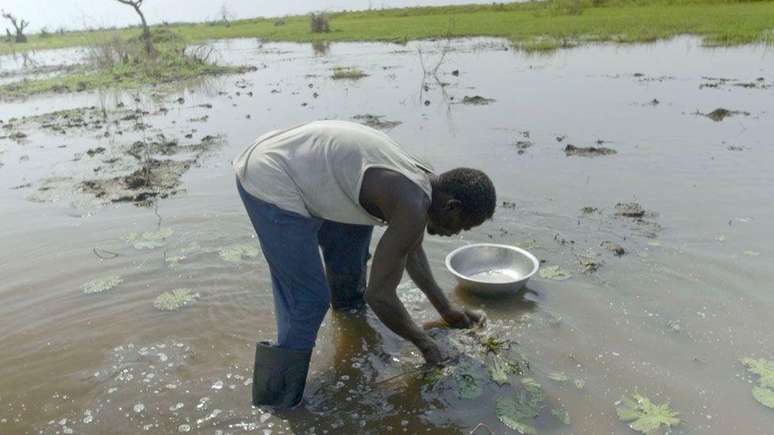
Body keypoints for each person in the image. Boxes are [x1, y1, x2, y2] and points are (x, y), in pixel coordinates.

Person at [233, 120, 496, 409]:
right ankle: (277, 401)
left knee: (352, 253)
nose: (456, 233)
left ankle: (347, 312)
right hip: (271, 176)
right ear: (452, 206)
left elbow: (410, 250)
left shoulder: (424, 183)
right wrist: (426, 345)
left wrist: (446, 311)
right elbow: (380, 296)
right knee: (308, 300)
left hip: (310, 165)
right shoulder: (411, 203)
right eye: (462, 226)